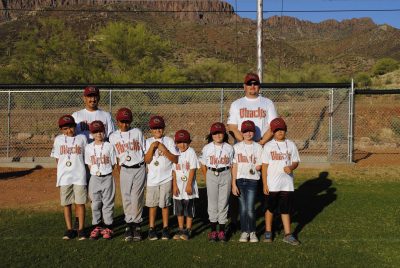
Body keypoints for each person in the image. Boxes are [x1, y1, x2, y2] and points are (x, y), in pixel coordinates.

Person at [261, 117, 300, 245]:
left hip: (287, 184)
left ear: (285, 130)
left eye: (282, 129)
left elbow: (295, 161)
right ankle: (268, 232)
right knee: (270, 208)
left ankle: (288, 234)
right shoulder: (268, 146)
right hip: (272, 184)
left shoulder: (291, 144)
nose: (280, 132)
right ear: (272, 132)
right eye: (276, 130)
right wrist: (265, 184)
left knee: (285, 209)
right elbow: (264, 166)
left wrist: (291, 167)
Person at [109, 108, 146, 242]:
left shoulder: (137, 132)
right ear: (117, 121)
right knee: (126, 197)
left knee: (137, 197)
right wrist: (121, 170)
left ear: (130, 121)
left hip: (139, 167)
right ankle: (128, 225)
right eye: (122, 121)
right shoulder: (113, 136)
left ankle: (136, 225)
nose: (125, 124)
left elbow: (144, 150)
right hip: (124, 168)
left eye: (127, 121)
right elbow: (115, 157)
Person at [50, 115, 88, 240]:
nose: (69, 131)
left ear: (75, 126)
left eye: (71, 127)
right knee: (66, 204)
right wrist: (63, 170)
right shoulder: (58, 140)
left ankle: (81, 229)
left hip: (79, 175)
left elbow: (86, 156)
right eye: (65, 128)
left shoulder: (82, 138)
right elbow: (57, 158)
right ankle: (69, 229)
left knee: (80, 202)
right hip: (64, 177)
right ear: (61, 129)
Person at [144, 115, 179, 240]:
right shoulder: (148, 141)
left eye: (160, 128)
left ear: (163, 128)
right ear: (151, 130)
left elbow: (175, 159)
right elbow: (147, 160)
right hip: (152, 179)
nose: (157, 130)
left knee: (165, 204)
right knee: (152, 205)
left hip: (166, 178)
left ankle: (165, 228)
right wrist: (152, 147)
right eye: (155, 128)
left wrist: (164, 149)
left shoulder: (168, 141)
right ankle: (152, 228)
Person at [199, 122, 234, 242]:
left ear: (224, 134)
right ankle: (213, 231)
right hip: (211, 173)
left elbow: (232, 165)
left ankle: (222, 231)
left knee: (223, 202)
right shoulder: (207, 148)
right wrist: (208, 176)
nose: (218, 135)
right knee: (212, 202)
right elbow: (203, 164)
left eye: (220, 133)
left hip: (226, 173)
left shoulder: (229, 148)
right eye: (215, 133)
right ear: (211, 135)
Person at [231, 120, 263, 243]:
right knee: (243, 208)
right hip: (240, 180)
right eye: (245, 131)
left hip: (252, 180)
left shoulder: (258, 147)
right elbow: (234, 165)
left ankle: (253, 232)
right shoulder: (237, 147)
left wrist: (258, 166)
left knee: (250, 208)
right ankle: (244, 231)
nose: (248, 133)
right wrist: (233, 183)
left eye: (250, 131)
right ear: (241, 133)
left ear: (254, 133)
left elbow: (260, 164)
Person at [85, 121, 117, 240]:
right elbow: (89, 164)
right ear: (91, 134)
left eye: (100, 131)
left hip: (107, 176)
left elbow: (113, 163)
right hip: (94, 178)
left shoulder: (109, 146)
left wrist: (104, 171)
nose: (98, 134)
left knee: (108, 203)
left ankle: (108, 227)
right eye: (95, 131)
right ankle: (97, 226)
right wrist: (96, 172)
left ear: (104, 132)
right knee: (95, 203)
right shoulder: (88, 147)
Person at [227, 73, 278, 145]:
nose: (252, 86)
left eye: (255, 83)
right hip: (242, 147)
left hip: (263, 146)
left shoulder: (268, 103)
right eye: (249, 83)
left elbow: (273, 126)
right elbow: (232, 127)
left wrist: (261, 142)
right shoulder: (236, 104)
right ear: (244, 86)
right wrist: (246, 143)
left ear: (259, 86)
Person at [172, 130, 199, 241]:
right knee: (179, 209)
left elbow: (192, 168)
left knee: (188, 208)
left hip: (188, 186)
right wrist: (174, 185)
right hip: (178, 186)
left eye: (185, 142)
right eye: (179, 142)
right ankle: (180, 228)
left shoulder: (191, 152)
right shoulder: (174, 152)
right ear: (176, 143)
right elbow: (173, 171)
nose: (182, 145)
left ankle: (188, 229)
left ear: (189, 142)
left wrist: (189, 185)